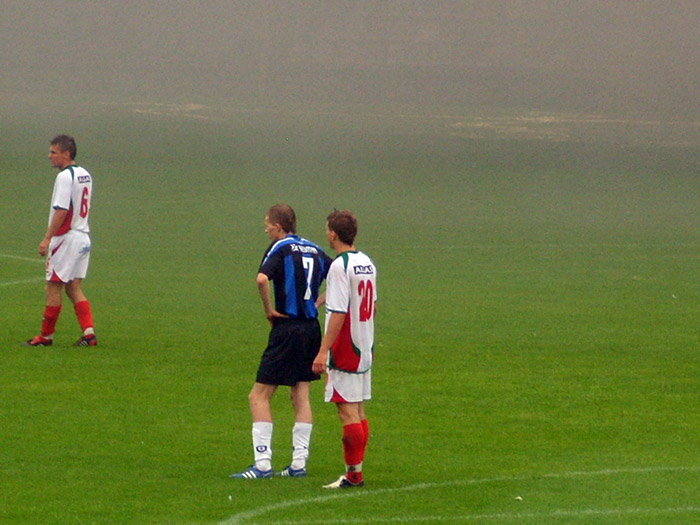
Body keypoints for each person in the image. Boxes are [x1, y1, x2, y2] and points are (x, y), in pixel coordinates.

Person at [231, 204, 333, 479]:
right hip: (311, 329)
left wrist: (269, 311)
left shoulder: (280, 248)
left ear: (278, 226)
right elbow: (339, 278)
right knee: (301, 395)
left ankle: (262, 464)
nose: (265, 230)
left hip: (287, 327)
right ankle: (298, 464)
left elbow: (261, 280)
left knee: (259, 395)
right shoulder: (314, 249)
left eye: (267, 225)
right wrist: (316, 302)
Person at [312, 210, 377, 489]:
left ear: (333, 234)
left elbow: (339, 311)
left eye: (327, 229)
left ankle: (354, 476)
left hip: (345, 348)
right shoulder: (366, 262)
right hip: (364, 344)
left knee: (347, 411)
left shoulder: (339, 266)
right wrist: (318, 301)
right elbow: (370, 304)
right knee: (358, 409)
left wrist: (322, 350)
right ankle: (356, 472)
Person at [25, 135, 97, 347]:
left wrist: (47, 238)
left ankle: (45, 337)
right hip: (83, 237)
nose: (49, 156)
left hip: (66, 239)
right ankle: (89, 334)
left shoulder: (65, 177)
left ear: (66, 153)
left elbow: (62, 210)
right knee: (73, 287)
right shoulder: (85, 174)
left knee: (53, 287)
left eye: (53, 152)